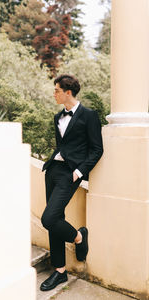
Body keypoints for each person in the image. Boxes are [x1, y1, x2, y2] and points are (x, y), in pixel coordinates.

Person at [40, 74, 103, 291]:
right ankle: (59, 272)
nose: (54, 93)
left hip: (70, 173)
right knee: (55, 219)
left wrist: (79, 171)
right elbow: (62, 146)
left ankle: (78, 236)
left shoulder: (89, 115)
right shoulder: (58, 117)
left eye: (56, 90)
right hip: (53, 171)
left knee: (48, 218)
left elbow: (97, 149)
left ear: (68, 92)